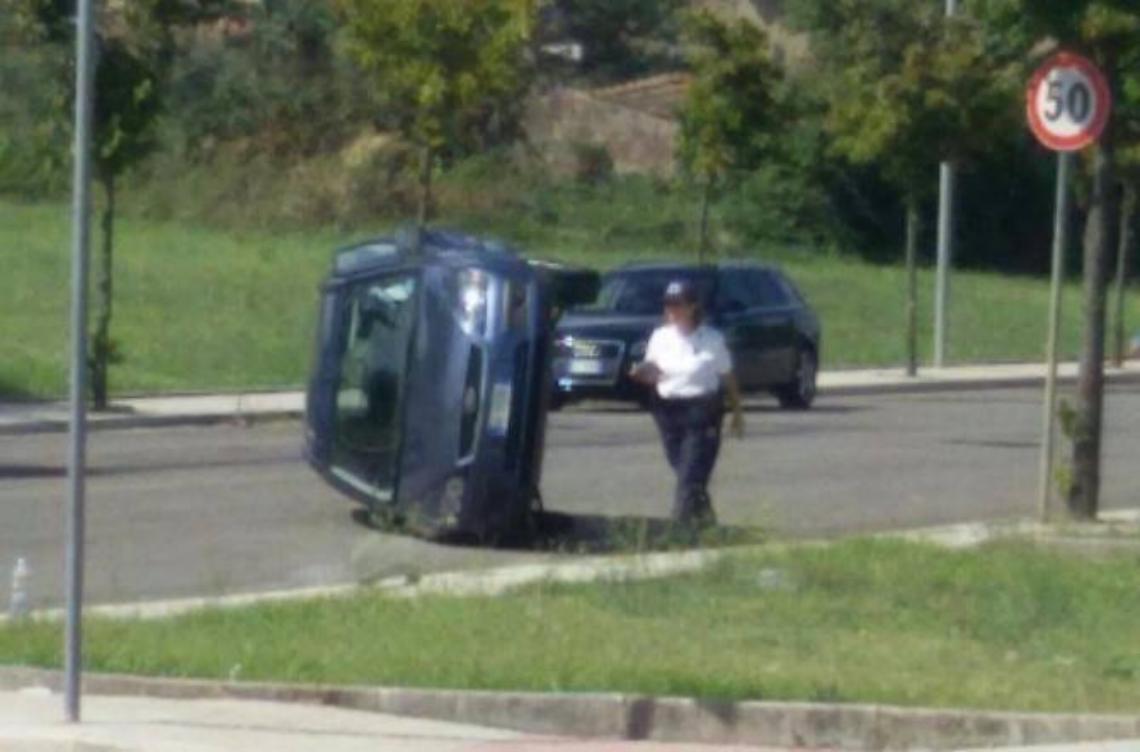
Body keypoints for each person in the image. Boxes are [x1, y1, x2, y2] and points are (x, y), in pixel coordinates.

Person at [629, 279, 745, 528]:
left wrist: (737, 413)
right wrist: (641, 373)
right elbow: (654, 370)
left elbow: (728, 377)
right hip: (667, 411)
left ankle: (679, 526)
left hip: (702, 411)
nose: (671, 310)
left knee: (690, 473)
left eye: (677, 304)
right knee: (684, 469)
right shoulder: (660, 337)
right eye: (667, 305)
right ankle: (705, 522)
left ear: (692, 307)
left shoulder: (712, 339)